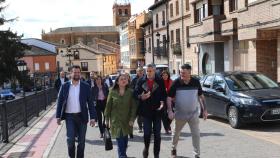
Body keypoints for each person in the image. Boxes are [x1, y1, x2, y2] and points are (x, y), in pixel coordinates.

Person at [167, 64, 208, 158]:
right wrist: (170, 111)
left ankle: (196, 154)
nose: (181, 74)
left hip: (193, 114)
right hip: (180, 114)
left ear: (190, 73)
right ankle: (173, 149)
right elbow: (169, 98)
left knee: (196, 135)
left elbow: (201, 97)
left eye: (184, 73)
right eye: (180, 72)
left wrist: (205, 110)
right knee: (176, 134)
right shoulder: (176, 83)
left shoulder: (196, 82)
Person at [56, 65, 96, 158]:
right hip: (69, 117)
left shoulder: (85, 86)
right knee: (70, 140)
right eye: (75, 72)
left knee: (81, 141)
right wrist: (58, 116)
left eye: (78, 72)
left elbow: (90, 103)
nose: (77, 74)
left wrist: (93, 117)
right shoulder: (64, 86)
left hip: (82, 116)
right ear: (70, 73)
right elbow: (60, 102)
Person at [134, 64, 167, 158]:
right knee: (147, 133)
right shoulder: (141, 80)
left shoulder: (159, 81)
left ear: (155, 71)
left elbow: (164, 94)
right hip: (146, 112)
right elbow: (135, 93)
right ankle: (146, 148)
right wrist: (141, 96)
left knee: (157, 135)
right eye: (147, 71)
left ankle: (156, 155)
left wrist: (162, 102)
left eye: (151, 71)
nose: (148, 73)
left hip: (157, 111)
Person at [105, 74, 138, 158]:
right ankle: (122, 156)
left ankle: (123, 155)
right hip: (116, 121)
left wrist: (132, 119)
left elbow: (133, 107)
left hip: (127, 121)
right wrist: (106, 119)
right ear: (117, 82)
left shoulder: (131, 92)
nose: (124, 80)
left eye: (125, 79)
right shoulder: (112, 91)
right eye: (121, 79)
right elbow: (108, 106)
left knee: (125, 142)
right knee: (120, 143)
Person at [131, 67, 145, 133]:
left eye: (141, 71)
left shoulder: (146, 78)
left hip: (145, 99)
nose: (140, 72)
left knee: (143, 114)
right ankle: (139, 127)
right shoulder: (134, 80)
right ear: (137, 72)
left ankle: (144, 127)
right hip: (137, 99)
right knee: (137, 114)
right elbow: (132, 90)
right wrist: (138, 95)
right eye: (139, 71)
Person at [161, 70, 172, 134]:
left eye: (166, 75)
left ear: (168, 76)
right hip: (163, 100)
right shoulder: (160, 82)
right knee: (164, 114)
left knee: (172, 114)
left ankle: (168, 125)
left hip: (170, 99)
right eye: (163, 75)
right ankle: (167, 128)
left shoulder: (171, 82)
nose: (165, 76)